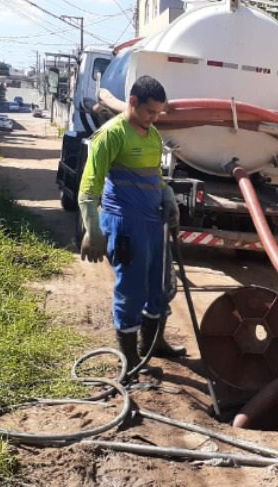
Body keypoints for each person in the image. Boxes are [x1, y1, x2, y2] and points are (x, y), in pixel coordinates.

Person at [77, 75, 185, 376]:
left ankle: (154, 343)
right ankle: (130, 361)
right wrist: (93, 229)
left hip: (153, 224)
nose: (154, 118)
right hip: (125, 225)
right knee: (132, 291)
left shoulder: (152, 136)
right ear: (134, 103)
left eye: (159, 113)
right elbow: (89, 186)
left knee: (160, 288)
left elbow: (156, 176)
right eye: (151, 112)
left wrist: (168, 197)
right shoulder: (110, 135)